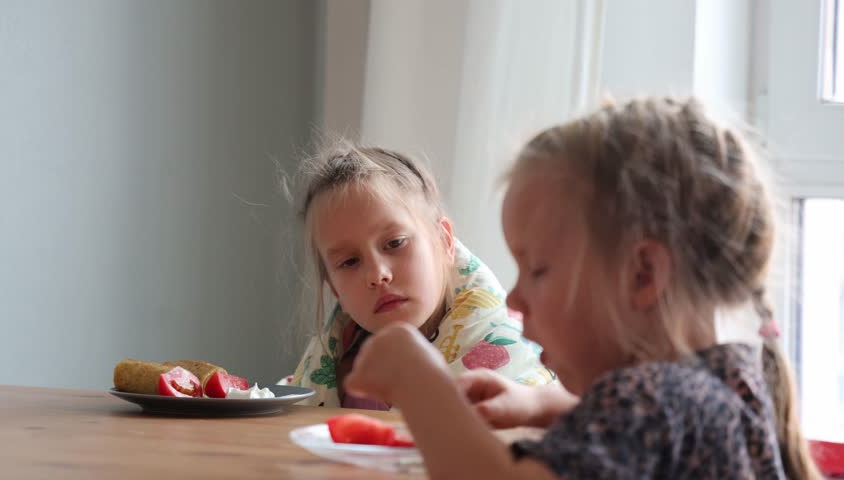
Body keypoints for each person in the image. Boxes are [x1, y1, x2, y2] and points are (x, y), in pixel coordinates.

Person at [344, 97, 821, 478]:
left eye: (538, 271)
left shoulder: (656, 403)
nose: (514, 299)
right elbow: (640, 432)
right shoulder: (725, 383)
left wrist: (419, 382)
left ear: (642, 276)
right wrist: (540, 404)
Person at [286, 142, 554, 409]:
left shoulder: (520, 376)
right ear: (334, 288)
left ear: (444, 241)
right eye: (349, 262)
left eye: (395, 243)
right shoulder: (341, 376)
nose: (378, 275)